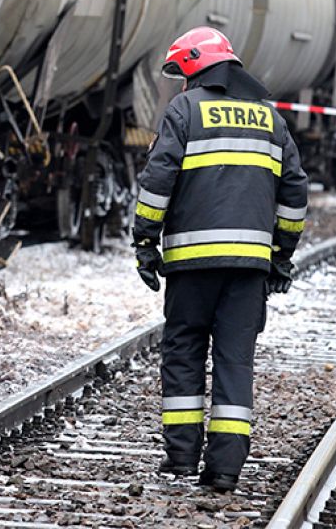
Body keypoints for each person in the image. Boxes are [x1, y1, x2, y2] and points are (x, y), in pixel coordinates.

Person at [131, 26, 308, 492]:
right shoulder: (271, 119)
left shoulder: (184, 110)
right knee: (235, 361)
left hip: (191, 268)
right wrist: (281, 255)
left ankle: (181, 458)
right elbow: (295, 192)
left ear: (194, 68)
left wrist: (145, 241)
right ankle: (225, 469)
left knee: (184, 353)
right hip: (248, 271)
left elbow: (157, 181)